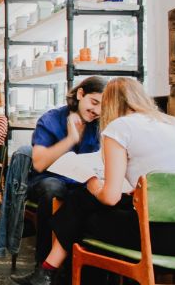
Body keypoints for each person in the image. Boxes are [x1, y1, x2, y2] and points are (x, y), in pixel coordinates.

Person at [12, 77, 175, 285]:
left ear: (110, 103)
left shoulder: (120, 128)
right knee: (82, 202)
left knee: (85, 209)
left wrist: (94, 186)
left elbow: (110, 198)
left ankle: (48, 272)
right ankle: (47, 272)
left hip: (151, 237)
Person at [10, 76, 106, 278]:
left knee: (98, 196)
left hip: (83, 183)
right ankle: (43, 271)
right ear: (80, 94)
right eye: (94, 102)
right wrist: (71, 139)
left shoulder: (100, 125)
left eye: (102, 107)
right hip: (47, 181)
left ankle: (87, 270)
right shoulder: (51, 119)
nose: (96, 111)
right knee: (53, 189)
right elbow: (39, 163)